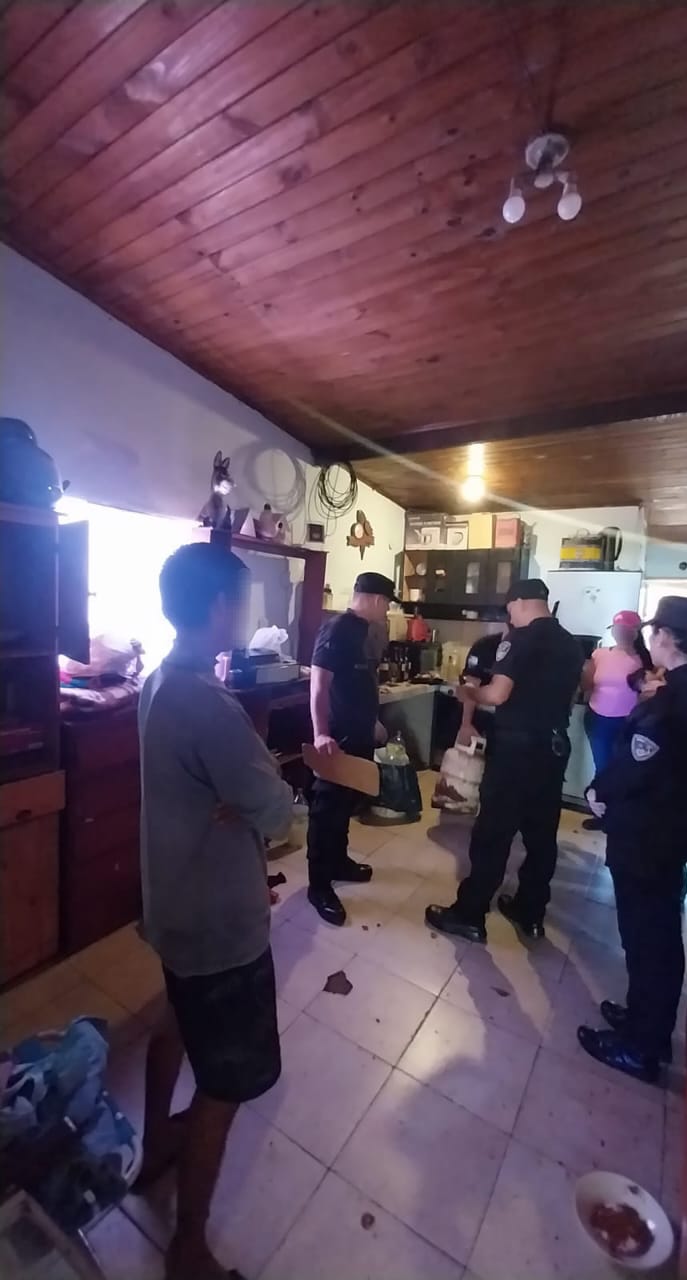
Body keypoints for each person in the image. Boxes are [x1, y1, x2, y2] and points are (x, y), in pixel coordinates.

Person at [137, 541, 293, 1280]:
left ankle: (154, 1145)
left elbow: (229, 792)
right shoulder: (209, 705)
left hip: (173, 904)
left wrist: (240, 792)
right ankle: (189, 1248)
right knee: (225, 1086)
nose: (246, 613)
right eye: (244, 600)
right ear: (222, 606)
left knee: (176, 1017)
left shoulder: (159, 679)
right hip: (219, 922)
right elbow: (278, 810)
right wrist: (259, 788)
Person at [577, 596, 687, 1084]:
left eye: (656, 633)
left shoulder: (674, 699)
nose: (651, 640)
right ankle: (644, 1020)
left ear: (669, 639)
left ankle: (641, 1046)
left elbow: (640, 762)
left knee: (647, 937)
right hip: (670, 831)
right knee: (654, 934)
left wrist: (599, 791)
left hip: (647, 833)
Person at [427, 579, 584, 943]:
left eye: (510, 608)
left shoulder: (520, 638)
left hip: (516, 751)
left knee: (493, 834)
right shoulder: (570, 643)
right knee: (541, 836)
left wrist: (469, 692)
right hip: (553, 749)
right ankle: (531, 912)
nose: (510, 616)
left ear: (519, 602)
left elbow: (497, 694)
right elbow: (576, 691)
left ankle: (469, 915)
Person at [306, 571, 397, 925]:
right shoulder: (337, 630)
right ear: (374, 599)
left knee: (345, 803)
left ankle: (339, 862)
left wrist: (372, 721)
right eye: (386, 603)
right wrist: (320, 734)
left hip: (359, 734)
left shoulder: (364, 631)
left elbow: (361, 683)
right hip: (336, 737)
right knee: (326, 810)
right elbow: (318, 686)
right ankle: (318, 885)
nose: (387, 610)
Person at [581, 610, 652, 829]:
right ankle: (604, 814)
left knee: (623, 769)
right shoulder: (599, 654)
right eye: (617, 629)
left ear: (636, 632)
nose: (621, 633)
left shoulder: (644, 659)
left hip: (628, 722)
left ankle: (618, 815)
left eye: (626, 629)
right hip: (598, 719)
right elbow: (587, 684)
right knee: (603, 767)